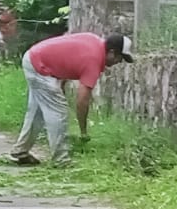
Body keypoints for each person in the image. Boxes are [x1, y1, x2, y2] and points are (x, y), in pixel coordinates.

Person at [9, 31, 133, 167]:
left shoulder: (94, 41)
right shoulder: (94, 60)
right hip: (40, 66)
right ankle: (61, 159)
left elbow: (67, 56)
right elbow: (82, 101)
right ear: (111, 52)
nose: (118, 62)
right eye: (119, 58)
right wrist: (83, 131)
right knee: (58, 110)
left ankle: (20, 151)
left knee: (37, 110)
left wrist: (61, 82)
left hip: (34, 57)